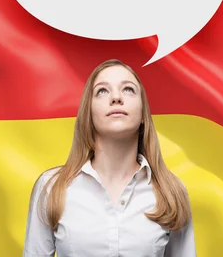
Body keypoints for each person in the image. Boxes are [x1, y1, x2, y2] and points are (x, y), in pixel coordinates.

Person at [22, 59, 197, 257]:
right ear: (89, 113)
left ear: (143, 115)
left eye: (128, 89)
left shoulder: (172, 193)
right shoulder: (51, 188)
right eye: (102, 91)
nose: (116, 97)